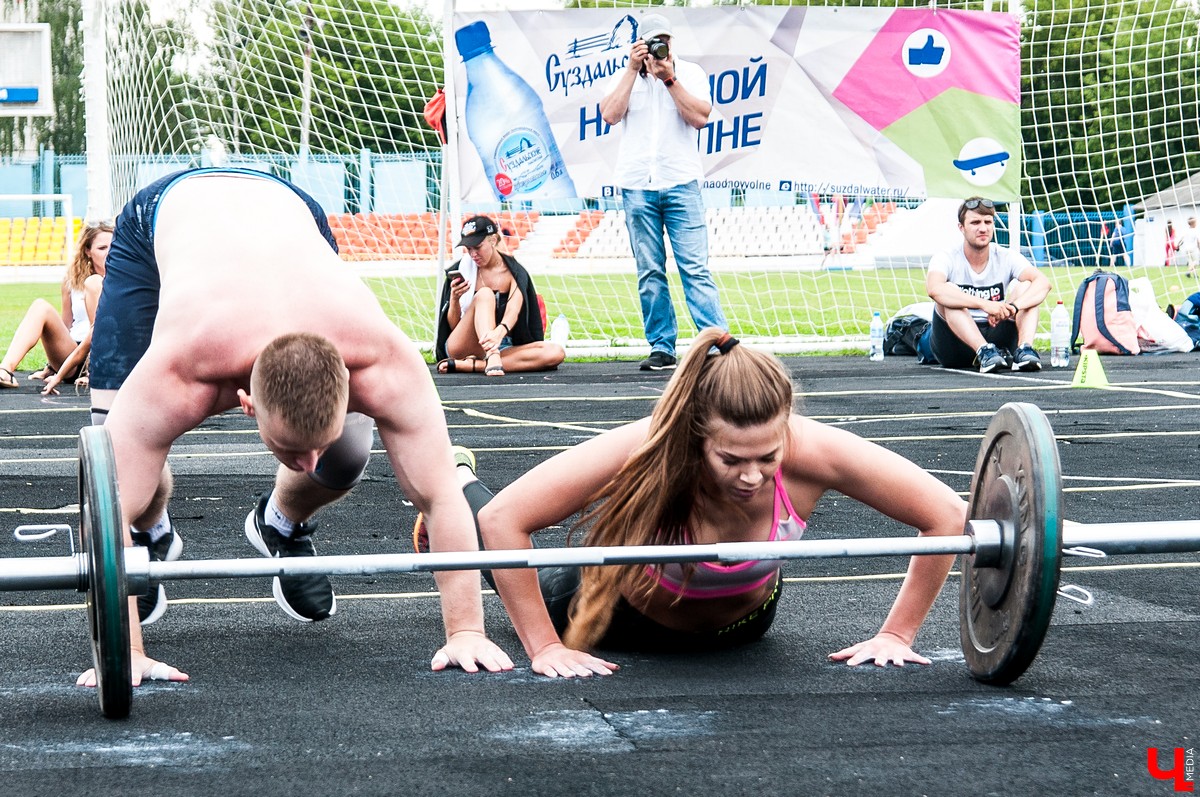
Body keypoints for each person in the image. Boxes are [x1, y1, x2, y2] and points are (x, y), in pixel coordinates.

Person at [77, 167, 513, 688]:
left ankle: (279, 523)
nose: (307, 464)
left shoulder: (383, 359)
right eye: (290, 449)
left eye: (310, 449)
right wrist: (126, 652)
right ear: (246, 403)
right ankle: (151, 534)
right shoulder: (181, 370)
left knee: (348, 455)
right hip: (164, 217)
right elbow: (105, 504)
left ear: (347, 385)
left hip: (289, 206)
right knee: (125, 467)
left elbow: (442, 492)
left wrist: (466, 629)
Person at [428, 328, 966, 677]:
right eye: (731, 460)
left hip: (745, 628)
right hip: (615, 616)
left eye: (767, 457)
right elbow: (507, 521)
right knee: (486, 530)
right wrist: (545, 648)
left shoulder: (815, 451)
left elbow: (945, 514)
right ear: (697, 435)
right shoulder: (652, 442)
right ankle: (455, 481)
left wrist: (897, 633)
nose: (752, 477)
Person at [600, 12, 728, 372]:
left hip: (681, 182)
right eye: (651, 42)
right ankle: (661, 346)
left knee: (695, 268)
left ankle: (716, 341)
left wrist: (669, 79)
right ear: (637, 45)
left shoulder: (691, 74)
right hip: (637, 185)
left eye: (664, 41)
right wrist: (630, 71)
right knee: (649, 270)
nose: (659, 48)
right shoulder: (621, 76)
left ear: (672, 42)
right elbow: (609, 115)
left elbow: (701, 117)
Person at [924, 197, 1051, 373]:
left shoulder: (1006, 256)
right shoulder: (946, 257)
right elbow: (934, 289)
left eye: (987, 222)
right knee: (949, 292)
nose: (983, 228)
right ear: (961, 228)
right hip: (954, 345)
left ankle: (1024, 350)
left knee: (1027, 286)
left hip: (997, 335)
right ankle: (983, 350)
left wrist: (1013, 307)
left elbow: (1043, 283)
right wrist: (985, 304)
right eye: (975, 222)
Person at [434, 215, 564, 376]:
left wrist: (499, 333)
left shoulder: (514, 272)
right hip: (464, 345)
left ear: (493, 240)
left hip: (503, 345)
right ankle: (491, 357)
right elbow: (453, 327)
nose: (473, 254)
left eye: (478, 247)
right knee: (485, 294)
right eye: (469, 249)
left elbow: (513, 311)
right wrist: (454, 299)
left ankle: (474, 365)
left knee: (555, 352)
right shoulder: (462, 270)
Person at [0, 222, 112, 392]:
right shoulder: (72, 281)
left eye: (113, 246)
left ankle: (93, 369)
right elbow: (66, 325)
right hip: (72, 353)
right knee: (40, 306)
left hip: (103, 355)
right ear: (88, 251)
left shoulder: (124, 281)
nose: (109, 252)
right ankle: (5, 370)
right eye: (102, 248)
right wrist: (53, 365)